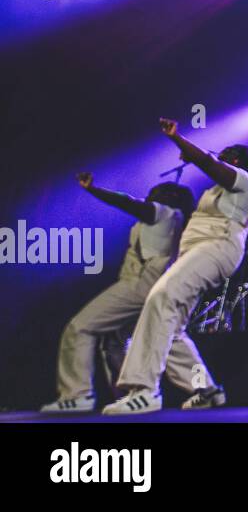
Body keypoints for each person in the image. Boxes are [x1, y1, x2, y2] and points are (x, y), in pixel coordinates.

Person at [101, 119, 248, 414]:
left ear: (237, 161)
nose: (220, 155)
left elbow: (210, 164)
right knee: (172, 327)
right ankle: (206, 390)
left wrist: (178, 138)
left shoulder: (244, 181)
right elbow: (209, 165)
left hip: (217, 247)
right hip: (197, 253)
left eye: (226, 154)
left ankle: (144, 390)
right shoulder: (217, 190)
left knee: (161, 298)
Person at [40, 175, 198, 414]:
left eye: (154, 193)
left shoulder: (166, 213)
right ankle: (134, 395)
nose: (149, 196)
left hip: (139, 284)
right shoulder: (174, 220)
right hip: (150, 285)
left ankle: (77, 394)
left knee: (80, 327)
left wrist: (94, 189)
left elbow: (129, 203)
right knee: (118, 339)